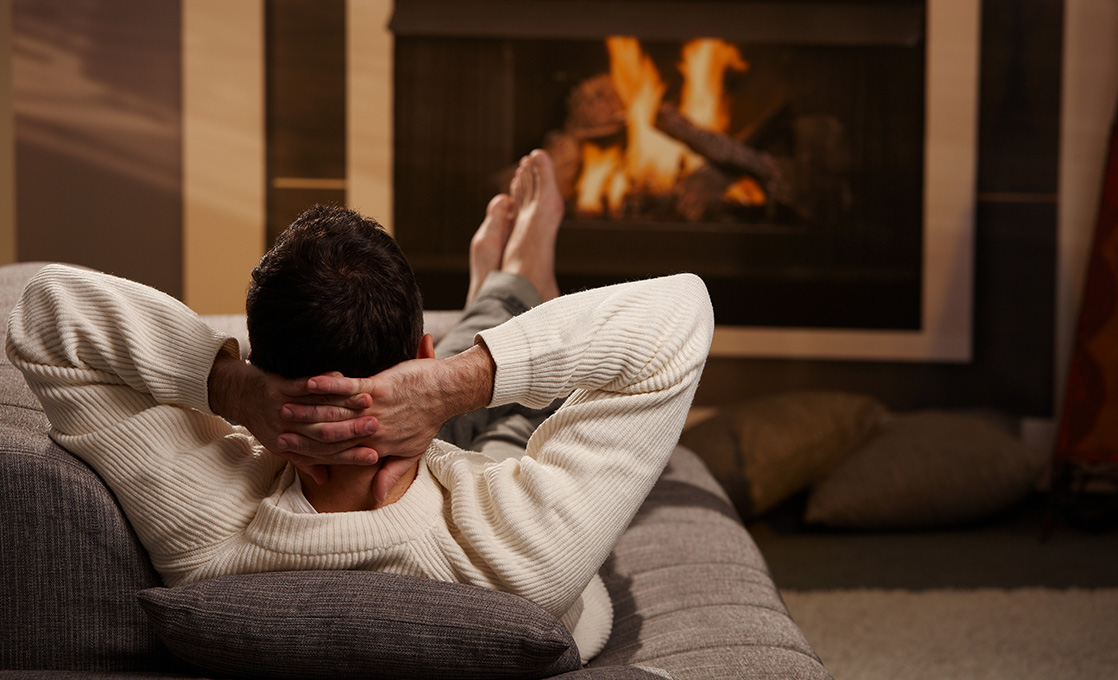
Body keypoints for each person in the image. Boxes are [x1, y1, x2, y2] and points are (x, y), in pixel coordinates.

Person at [5, 151, 713, 663]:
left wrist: (232, 389)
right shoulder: (520, 550)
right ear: (424, 358)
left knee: (483, 400)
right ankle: (515, 287)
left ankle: (505, 286)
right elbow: (680, 314)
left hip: (379, 471)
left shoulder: (209, 528)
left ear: (257, 356)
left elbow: (44, 313)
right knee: (513, 427)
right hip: (482, 495)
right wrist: (452, 387)